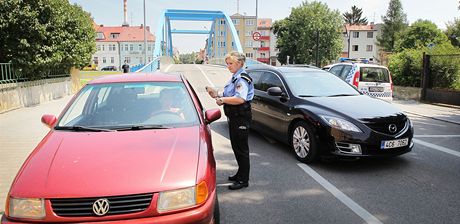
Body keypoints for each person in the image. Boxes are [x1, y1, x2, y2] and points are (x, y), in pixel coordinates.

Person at [206, 51, 254, 190]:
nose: (228, 66)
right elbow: (230, 93)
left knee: (241, 149)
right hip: (235, 118)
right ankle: (240, 174)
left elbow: (240, 98)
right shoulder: (235, 77)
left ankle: (243, 180)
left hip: (241, 118)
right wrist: (217, 93)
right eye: (227, 63)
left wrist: (222, 100)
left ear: (239, 63)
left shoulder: (242, 79)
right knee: (236, 147)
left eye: (230, 63)